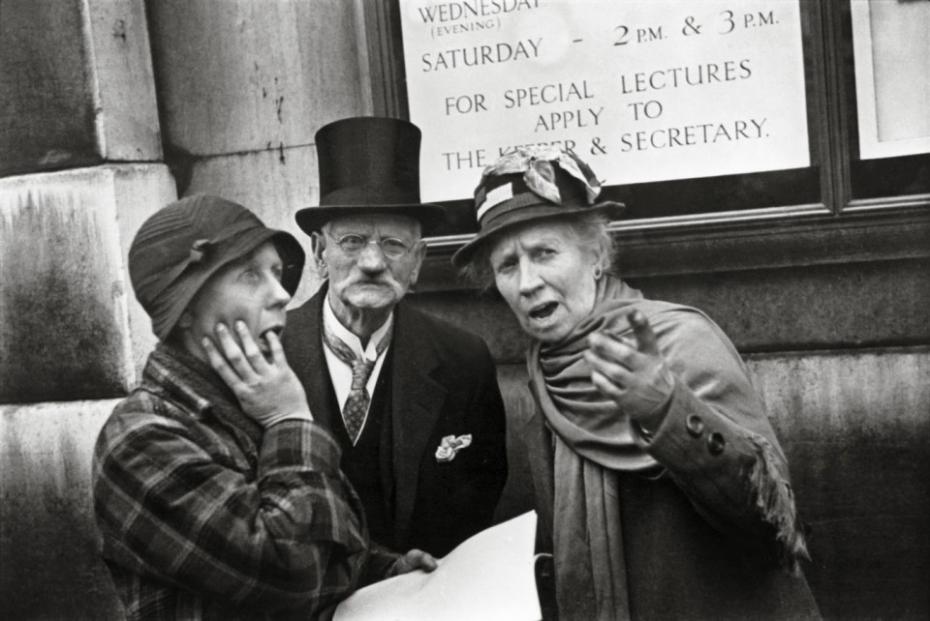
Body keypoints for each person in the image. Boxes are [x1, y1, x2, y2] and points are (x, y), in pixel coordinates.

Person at [452, 148, 821, 620]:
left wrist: (667, 408)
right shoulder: (549, 368)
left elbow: (770, 529)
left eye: (545, 253)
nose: (527, 282)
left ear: (597, 256)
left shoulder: (681, 340)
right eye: (508, 265)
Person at [92, 194, 435, 621]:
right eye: (251, 276)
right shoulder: (142, 439)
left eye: (276, 273)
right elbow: (291, 578)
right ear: (184, 309)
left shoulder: (247, 402)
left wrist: (386, 571)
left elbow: (315, 535)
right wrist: (290, 420)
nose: (279, 295)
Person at [283, 116, 508, 557]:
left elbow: (480, 492)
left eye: (392, 244)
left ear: (418, 260)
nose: (371, 261)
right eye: (351, 241)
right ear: (318, 253)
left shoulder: (463, 360)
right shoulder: (267, 352)